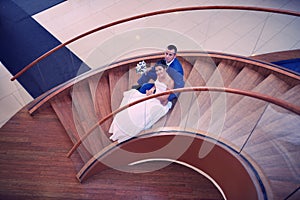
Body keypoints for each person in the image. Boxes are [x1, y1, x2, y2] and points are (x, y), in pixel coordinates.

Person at [109, 63, 174, 143]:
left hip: (159, 102)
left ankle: (127, 131)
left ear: (165, 69)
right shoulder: (159, 76)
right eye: (157, 70)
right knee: (133, 104)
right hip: (152, 96)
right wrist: (151, 90)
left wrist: (153, 96)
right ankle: (119, 128)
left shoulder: (170, 82)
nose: (158, 72)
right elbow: (156, 86)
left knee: (140, 113)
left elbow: (164, 98)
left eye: (160, 70)